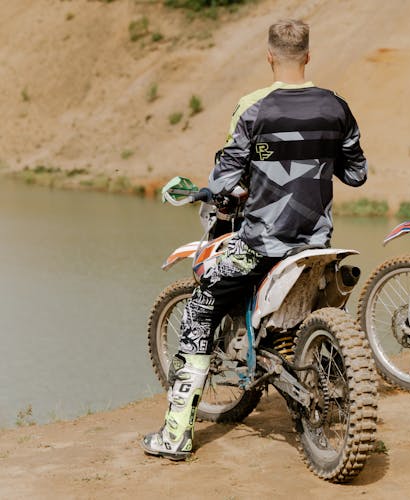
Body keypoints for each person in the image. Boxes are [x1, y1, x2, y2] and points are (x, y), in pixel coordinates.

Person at [141, 18, 368, 459]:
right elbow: (356, 173)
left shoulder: (252, 108)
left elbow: (226, 180)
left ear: (269, 55)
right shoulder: (337, 106)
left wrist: (242, 183)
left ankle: (174, 435)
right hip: (318, 245)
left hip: (263, 246)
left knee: (199, 310)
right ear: (307, 55)